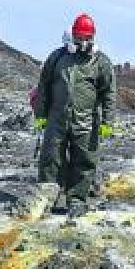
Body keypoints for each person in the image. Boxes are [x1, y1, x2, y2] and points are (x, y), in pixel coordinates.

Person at [32, 12, 116, 217]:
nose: (83, 41)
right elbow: (43, 87)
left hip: (86, 122)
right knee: (51, 159)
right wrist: (40, 114)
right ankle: (48, 198)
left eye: (88, 38)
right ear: (73, 35)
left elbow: (109, 94)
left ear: (93, 37)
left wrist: (107, 121)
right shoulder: (57, 58)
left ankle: (77, 200)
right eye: (80, 37)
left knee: (84, 160)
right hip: (56, 119)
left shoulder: (101, 62)